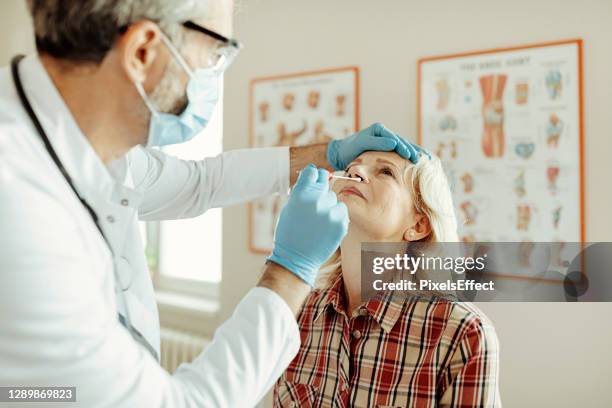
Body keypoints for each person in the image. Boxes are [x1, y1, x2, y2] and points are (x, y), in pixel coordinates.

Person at [0, 0, 428, 406]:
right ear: (143, 52)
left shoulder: (90, 148)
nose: (215, 73)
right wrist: (289, 270)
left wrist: (329, 153)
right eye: (216, 53)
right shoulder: (21, 207)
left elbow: (202, 182)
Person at [274, 150, 501, 407]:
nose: (355, 174)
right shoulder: (296, 313)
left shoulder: (463, 333)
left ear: (418, 226)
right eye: (350, 169)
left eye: (385, 171)